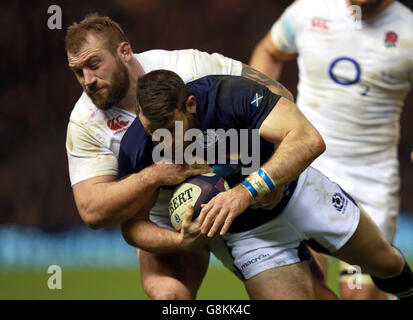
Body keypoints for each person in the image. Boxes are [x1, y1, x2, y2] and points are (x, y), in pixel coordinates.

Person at [65, 13, 325, 300]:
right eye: (78, 72)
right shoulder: (84, 123)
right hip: (166, 213)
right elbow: (93, 211)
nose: (87, 80)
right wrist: (155, 176)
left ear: (124, 51)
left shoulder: (188, 66)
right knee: (169, 298)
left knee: (315, 292)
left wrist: (270, 179)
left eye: (94, 64)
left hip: (237, 190)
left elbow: (277, 94)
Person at [119, 69, 413, 300]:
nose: (165, 143)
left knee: (386, 263)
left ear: (191, 105)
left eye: (171, 130)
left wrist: (246, 191)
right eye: (153, 133)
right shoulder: (137, 147)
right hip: (250, 236)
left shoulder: (229, 95)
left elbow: (309, 139)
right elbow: (132, 227)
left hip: (299, 194)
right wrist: (181, 241)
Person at [249, 0, 413, 300]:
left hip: (372, 178)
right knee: (311, 283)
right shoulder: (307, 10)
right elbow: (270, 50)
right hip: (309, 167)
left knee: (360, 295)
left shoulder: (408, 30)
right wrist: (264, 115)